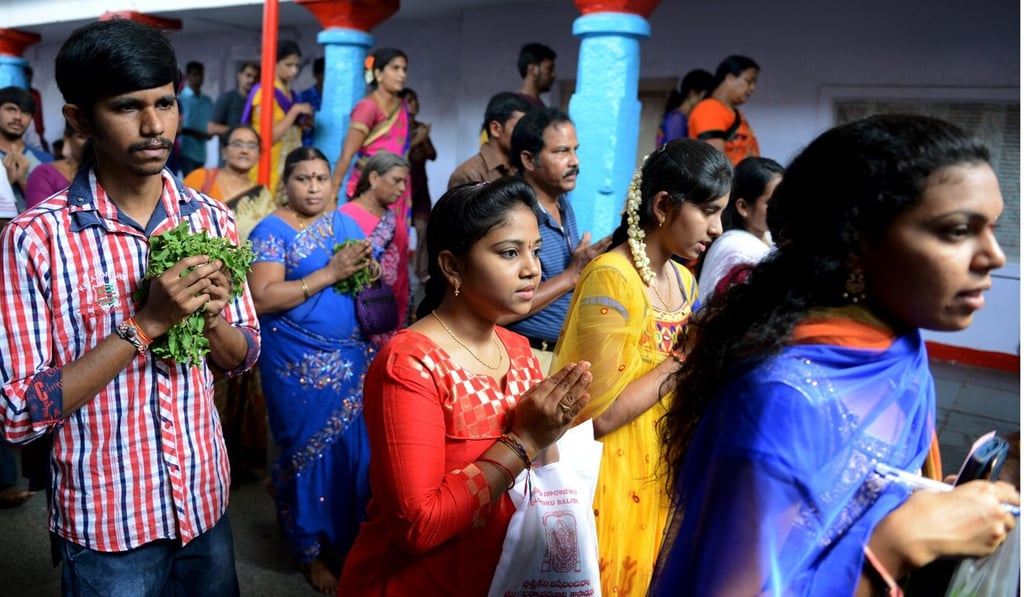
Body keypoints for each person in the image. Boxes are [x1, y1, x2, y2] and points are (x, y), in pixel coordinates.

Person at [651, 114, 1019, 595]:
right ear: (856, 243)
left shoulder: (898, 347)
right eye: (956, 231)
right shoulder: (783, 401)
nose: (994, 256)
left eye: (991, 228)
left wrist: (924, 500)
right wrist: (888, 552)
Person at [0, 19, 260, 595]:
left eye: (165, 103)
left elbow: (242, 358)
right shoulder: (35, 239)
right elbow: (19, 412)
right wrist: (148, 323)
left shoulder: (210, 219)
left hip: (204, 502)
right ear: (80, 119)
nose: (154, 127)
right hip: (108, 520)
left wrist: (211, 318)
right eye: (127, 107)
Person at [337, 177, 593, 596]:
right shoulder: (411, 364)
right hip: (417, 582)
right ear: (452, 266)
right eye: (510, 252)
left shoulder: (519, 349)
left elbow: (541, 482)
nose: (533, 269)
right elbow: (419, 526)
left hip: (499, 575)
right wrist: (525, 439)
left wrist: (553, 429)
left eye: (535, 251)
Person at [552, 139, 731, 596]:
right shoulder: (614, 278)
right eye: (708, 211)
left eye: (722, 212)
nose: (717, 227)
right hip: (609, 474)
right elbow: (596, 416)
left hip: (659, 463)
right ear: (663, 205)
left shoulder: (684, 279)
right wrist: (686, 354)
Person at [247, 146, 374, 594]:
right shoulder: (270, 231)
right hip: (296, 366)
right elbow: (262, 298)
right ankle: (309, 552)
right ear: (287, 183)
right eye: (305, 178)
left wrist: (364, 268)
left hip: (351, 356)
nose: (315, 186)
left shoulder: (343, 222)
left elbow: (363, 278)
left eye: (322, 177)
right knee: (305, 455)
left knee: (355, 457)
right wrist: (331, 272)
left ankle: (346, 540)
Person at [505, 107, 609, 372]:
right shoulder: (514, 214)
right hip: (526, 354)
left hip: (559, 354)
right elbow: (502, 308)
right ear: (529, 160)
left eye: (575, 150)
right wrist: (572, 275)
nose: (575, 161)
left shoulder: (562, 204)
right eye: (561, 151)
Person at [331, 47, 424, 228]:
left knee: (395, 241)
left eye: (404, 69)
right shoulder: (368, 107)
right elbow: (347, 154)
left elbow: (398, 150)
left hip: (398, 185)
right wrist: (333, 195)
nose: (402, 75)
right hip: (372, 184)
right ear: (379, 73)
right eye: (395, 68)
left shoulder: (402, 107)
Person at [339, 151, 411, 344]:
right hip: (355, 320)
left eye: (404, 182)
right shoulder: (346, 217)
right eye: (396, 180)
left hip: (390, 316)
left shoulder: (395, 221)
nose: (403, 188)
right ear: (374, 178)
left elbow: (402, 275)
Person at [697, 156, 784, 301]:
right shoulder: (738, 250)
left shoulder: (766, 236)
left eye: (783, 199)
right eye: (771, 202)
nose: (781, 207)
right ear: (743, 207)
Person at [184, 124, 279, 242]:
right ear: (224, 151)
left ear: (259, 155)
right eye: (238, 144)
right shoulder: (200, 178)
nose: (245, 151)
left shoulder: (263, 196)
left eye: (252, 146)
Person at [242, 40, 314, 198]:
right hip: (270, 165)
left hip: (289, 166)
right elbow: (267, 138)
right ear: (274, 62)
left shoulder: (291, 94)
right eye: (289, 65)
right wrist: (295, 112)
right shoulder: (263, 93)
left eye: (297, 66)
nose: (294, 71)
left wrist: (302, 124)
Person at [449, 91, 532, 189]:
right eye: (518, 128)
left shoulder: (523, 167)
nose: (524, 134)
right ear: (495, 129)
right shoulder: (467, 175)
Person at [688, 55, 760, 165]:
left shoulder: (731, 111)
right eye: (749, 81)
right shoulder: (709, 109)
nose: (752, 88)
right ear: (730, 78)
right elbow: (716, 165)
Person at [398, 88, 435, 285]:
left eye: (415, 100)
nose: (414, 104)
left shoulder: (419, 127)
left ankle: (421, 270)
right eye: (410, 100)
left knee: (423, 229)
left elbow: (432, 155)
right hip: (403, 186)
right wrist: (416, 140)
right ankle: (398, 267)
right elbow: (398, 153)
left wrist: (425, 138)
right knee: (400, 228)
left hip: (420, 185)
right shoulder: (397, 128)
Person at [0, 86, 53, 212]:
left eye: (25, 112)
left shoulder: (47, 162)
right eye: (11, 109)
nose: (18, 117)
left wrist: (23, 182)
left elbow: (53, 213)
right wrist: (6, 183)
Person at [24, 120, 88, 209]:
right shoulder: (45, 173)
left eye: (97, 137)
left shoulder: (109, 176)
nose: (91, 143)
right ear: (68, 137)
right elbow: (38, 219)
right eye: (83, 137)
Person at [208, 61, 259, 154]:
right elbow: (211, 128)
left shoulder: (258, 102)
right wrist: (241, 132)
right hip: (228, 159)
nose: (252, 80)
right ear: (239, 76)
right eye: (248, 75)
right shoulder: (227, 99)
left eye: (255, 78)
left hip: (252, 157)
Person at [657, 68, 712, 146]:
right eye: (706, 97)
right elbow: (675, 153)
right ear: (692, 93)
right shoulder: (677, 118)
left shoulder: (684, 118)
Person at [177, 61, 214, 176]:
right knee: (188, 186)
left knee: (199, 186)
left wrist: (209, 134)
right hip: (185, 150)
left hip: (201, 152)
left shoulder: (207, 101)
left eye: (200, 74)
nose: (198, 78)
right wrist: (193, 133)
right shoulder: (180, 99)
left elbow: (211, 125)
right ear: (188, 76)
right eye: (194, 74)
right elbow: (176, 127)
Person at [516, 42, 557, 109]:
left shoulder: (540, 105)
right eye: (549, 69)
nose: (553, 75)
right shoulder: (517, 106)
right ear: (532, 70)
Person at [298, 57, 325, 148]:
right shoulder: (304, 97)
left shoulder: (337, 100)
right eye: (324, 75)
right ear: (316, 75)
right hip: (309, 146)